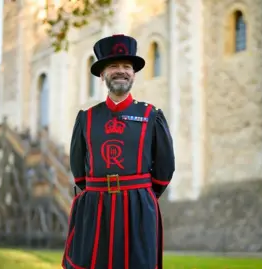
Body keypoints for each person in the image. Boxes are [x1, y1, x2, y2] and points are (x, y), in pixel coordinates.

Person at [62, 34, 175, 269]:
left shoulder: (151, 116)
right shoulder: (86, 118)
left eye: (127, 66)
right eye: (113, 66)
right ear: (102, 74)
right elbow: (79, 173)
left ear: (133, 74)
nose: (121, 71)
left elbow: (164, 171)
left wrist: (138, 193)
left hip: (139, 208)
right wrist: (99, 193)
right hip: (95, 208)